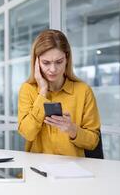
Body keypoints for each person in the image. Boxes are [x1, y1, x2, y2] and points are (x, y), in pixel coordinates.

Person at [18, 29, 100, 157]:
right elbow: (27, 133)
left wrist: (72, 130)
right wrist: (43, 92)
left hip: (74, 170)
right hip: (38, 169)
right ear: (36, 61)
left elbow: (93, 142)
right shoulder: (27, 89)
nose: (53, 69)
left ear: (67, 59)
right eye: (46, 63)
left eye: (59, 62)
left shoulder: (83, 91)